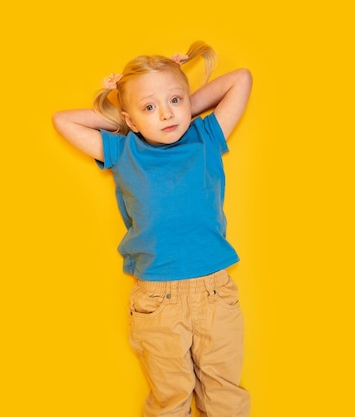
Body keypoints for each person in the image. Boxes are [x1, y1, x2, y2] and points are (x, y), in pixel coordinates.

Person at [52, 41, 252, 417]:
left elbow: (240, 79)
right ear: (129, 120)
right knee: (169, 398)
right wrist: (127, 114)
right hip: (157, 300)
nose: (166, 114)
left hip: (215, 291)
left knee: (225, 394)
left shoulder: (205, 138)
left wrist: (177, 100)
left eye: (175, 101)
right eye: (149, 107)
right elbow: (64, 120)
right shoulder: (124, 151)